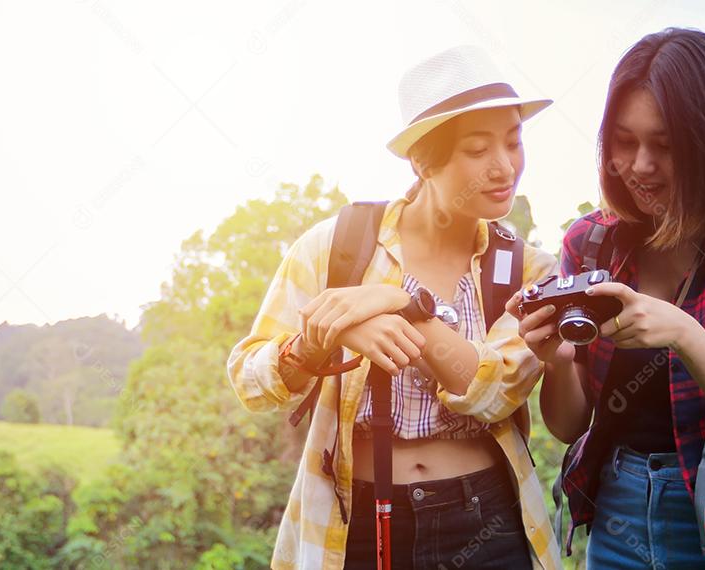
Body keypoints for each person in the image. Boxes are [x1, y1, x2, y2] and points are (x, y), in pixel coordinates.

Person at [228, 45, 563, 569]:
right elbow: (250, 379)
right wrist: (324, 337)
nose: (505, 167)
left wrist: (408, 307)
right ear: (423, 161)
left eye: (514, 142)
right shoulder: (337, 246)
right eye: (478, 149)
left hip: (487, 518)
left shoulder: (527, 270)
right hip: (357, 519)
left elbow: (495, 393)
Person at [510, 28, 705, 569]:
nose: (639, 165)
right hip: (619, 524)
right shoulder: (592, 242)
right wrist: (556, 361)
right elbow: (569, 425)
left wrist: (685, 334)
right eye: (624, 140)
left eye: (664, 145)